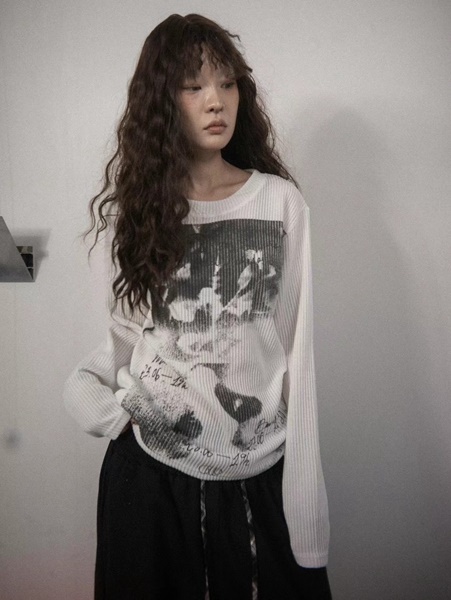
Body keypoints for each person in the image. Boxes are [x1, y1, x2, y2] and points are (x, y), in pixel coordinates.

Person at [64, 13, 332, 600]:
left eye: (227, 83)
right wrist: (112, 414)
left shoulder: (280, 203)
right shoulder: (134, 215)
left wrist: (307, 521)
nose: (216, 100)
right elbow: (120, 345)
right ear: (163, 101)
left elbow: (298, 357)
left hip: (257, 475)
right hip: (149, 483)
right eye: (193, 86)